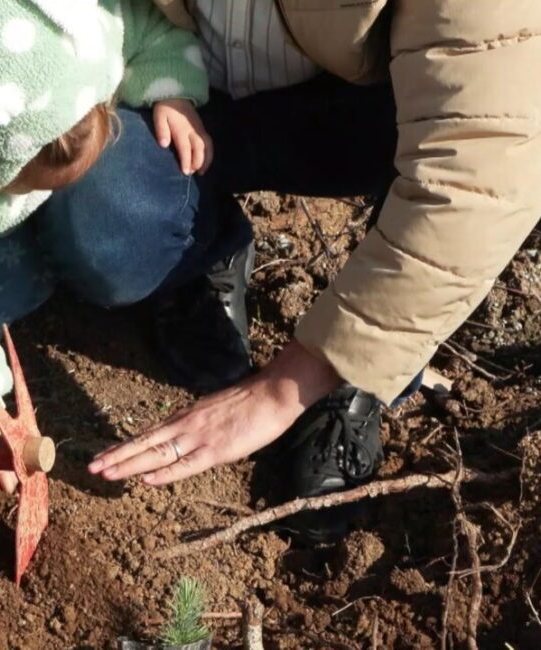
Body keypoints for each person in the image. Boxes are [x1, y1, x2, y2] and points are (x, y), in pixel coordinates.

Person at [86, 0, 540, 536]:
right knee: (103, 212)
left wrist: (286, 387)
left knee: (442, 132)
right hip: (174, 79)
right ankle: (202, 246)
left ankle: (357, 374)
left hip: (365, 114)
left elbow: (478, 166)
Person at [0, 0, 232, 495]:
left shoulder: (84, 31)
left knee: (23, 275)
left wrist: (172, 88)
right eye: (24, 183)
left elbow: (147, 29)